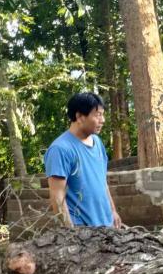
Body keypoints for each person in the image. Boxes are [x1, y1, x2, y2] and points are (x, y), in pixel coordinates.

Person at [44, 92, 121, 228]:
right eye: (98, 115)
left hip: (106, 225)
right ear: (79, 116)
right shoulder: (60, 149)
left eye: (103, 114)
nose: (103, 120)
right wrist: (71, 233)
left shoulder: (97, 143)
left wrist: (113, 211)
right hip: (82, 230)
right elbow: (57, 196)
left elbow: (102, 182)